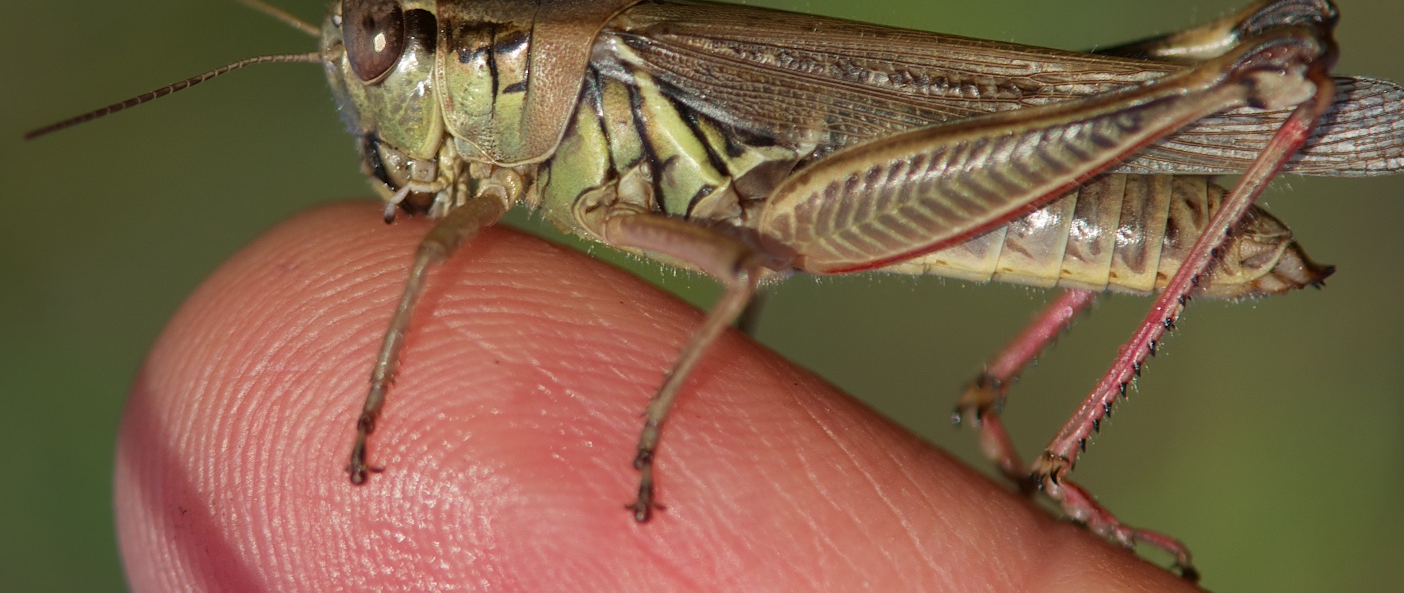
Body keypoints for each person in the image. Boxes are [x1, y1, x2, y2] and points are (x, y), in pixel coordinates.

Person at [116, 203, 1191, 592]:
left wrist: (646, 433)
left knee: (738, 271)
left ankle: (1051, 448)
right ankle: (1006, 398)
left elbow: (739, 265)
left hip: (956, 167)